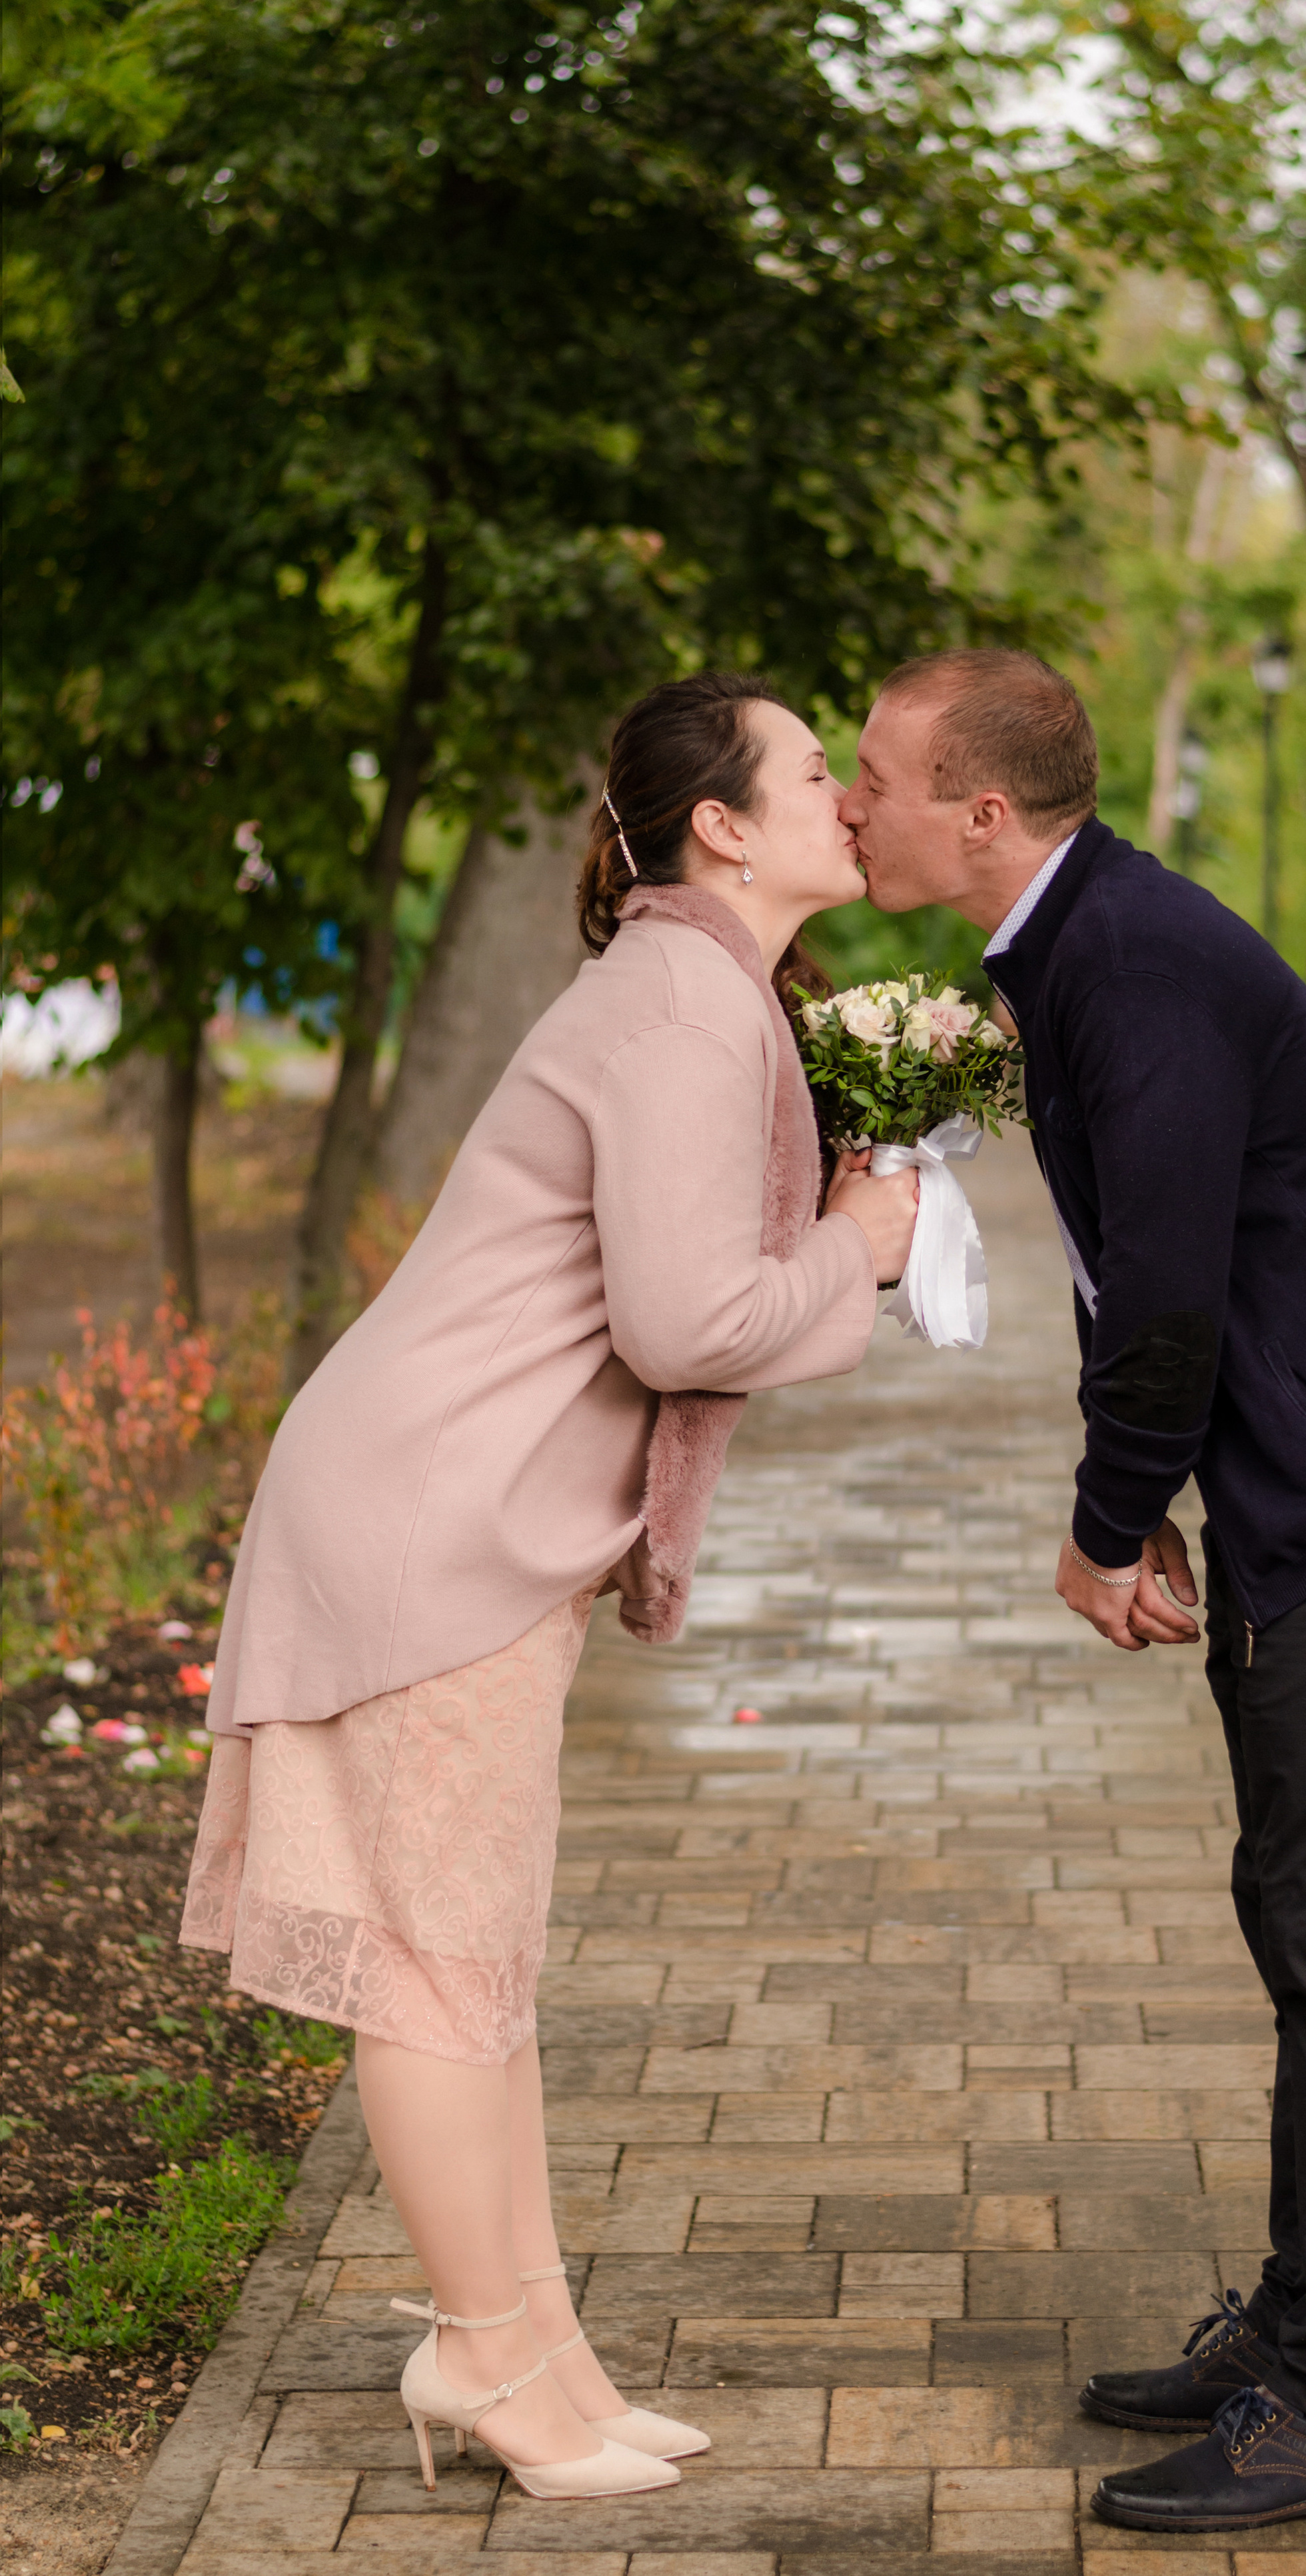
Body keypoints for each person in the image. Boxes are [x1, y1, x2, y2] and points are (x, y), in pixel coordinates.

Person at [181, 672, 918, 2505]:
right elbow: (686, 1321)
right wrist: (861, 1243)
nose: (853, 791)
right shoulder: (681, 1001)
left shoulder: (700, 988)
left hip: (452, 1513)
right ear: (722, 825)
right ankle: (480, 2353)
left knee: (479, 1959)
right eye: (818, 769)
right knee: (438, 1967)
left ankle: (540, 2352)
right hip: (424, 1525)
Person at [843, 646, 1306, 2535]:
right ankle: (1300, 2326)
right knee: (1303, 1910)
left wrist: (1107, 1518)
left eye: (879, 775)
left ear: (983, 811)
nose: (856, 801)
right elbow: (1148, 1263)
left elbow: (1177, 1296)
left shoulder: (1122, 963)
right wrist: (1159, 1496)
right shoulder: (1077, 944)